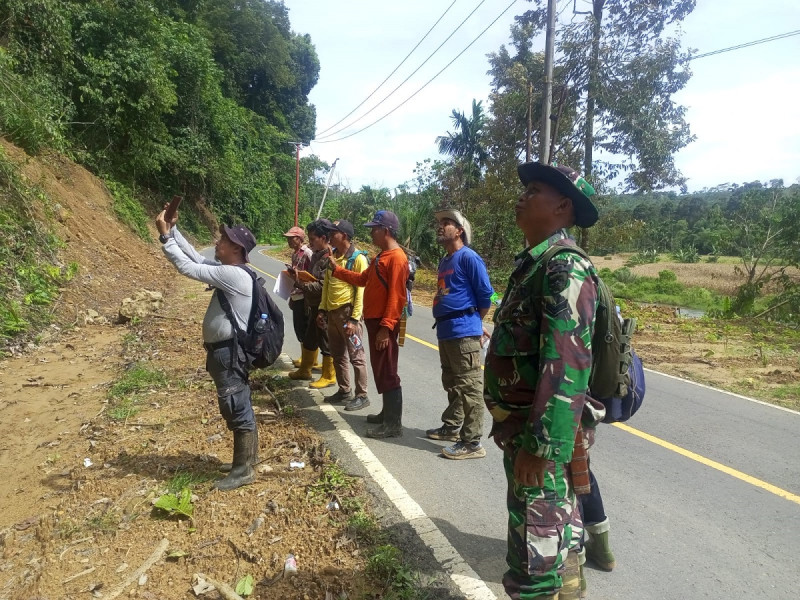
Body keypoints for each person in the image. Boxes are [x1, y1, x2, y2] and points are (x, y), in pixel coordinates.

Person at [484, 162, 600, 599]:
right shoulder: (534, 266)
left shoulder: (562, 269)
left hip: (541, 446)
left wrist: (540, 447)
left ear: (562, 206)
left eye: (533, 190)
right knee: (557, 546)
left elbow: (567, 366)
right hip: (526, 437)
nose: (522, 196)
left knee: (532, 569)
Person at [156, 209, 260, 492]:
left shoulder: (234, 275)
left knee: (235, 404)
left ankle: (242, 470)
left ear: (236, 249)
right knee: (239, 401)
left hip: (229, 350)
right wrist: (174, 232)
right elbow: (198, 260)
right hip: (225, 349)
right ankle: (249, 459)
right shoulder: (231, 271)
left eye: (223, 240)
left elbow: (189, 268)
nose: (217, 242)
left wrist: (165, 236)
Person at [329, 210, 409, 438]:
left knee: (388, 371)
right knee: (381, 369)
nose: (371, 233)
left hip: (384, 324)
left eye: (374, 229)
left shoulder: (397, 258)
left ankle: (393, 424)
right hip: (375, 322)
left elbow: (396, 297)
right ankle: (387, 414)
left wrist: (385, 328)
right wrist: (337, 270)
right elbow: (363, 280)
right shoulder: (381, 256)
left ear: (385, 230)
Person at [425, 209, 494, 460]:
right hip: (446, 330)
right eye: (440, 223)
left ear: (460, 230)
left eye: (447, 223)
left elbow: (487, 295)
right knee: (452, 382)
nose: (441, 227)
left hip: (463, 332)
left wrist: (475, 320)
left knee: (469, 386)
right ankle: (452, 426)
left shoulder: (469, 257)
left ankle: (472, 442)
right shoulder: (446, 261)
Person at [316, 219, 371, 411]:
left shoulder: (357, 259)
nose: (330, 235)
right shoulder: (333, 257)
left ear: (344, 236)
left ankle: (362, 395)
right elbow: (327, 287)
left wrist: (354, 319)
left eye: (334, 232)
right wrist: (322, 310)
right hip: (333, 314)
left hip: (348, 314)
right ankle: (344, 390)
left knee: (356, 356)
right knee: (338, 355)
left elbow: (361, 291)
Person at [287, 220, 334, 386]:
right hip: (313, 303)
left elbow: (322, 285)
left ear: (323, 238)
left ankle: (329, 375)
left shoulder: (328, 258)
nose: (310, 241)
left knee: (325, 340)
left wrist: (300, 282)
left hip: (323, 306)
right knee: (310, 338)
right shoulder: (316, 254)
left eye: (313, 238)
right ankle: (305, 370)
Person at [282, 225, 314, 369]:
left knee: (306, 329)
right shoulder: (295, 254)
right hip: (296, 294)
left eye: (291, 238)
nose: (289, 241)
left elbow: (312, 274)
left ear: (300, 239)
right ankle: (305, 357)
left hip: (305, 295)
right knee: (299, 328)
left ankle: (310, 361)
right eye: (288, 238)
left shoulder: (307, 253)